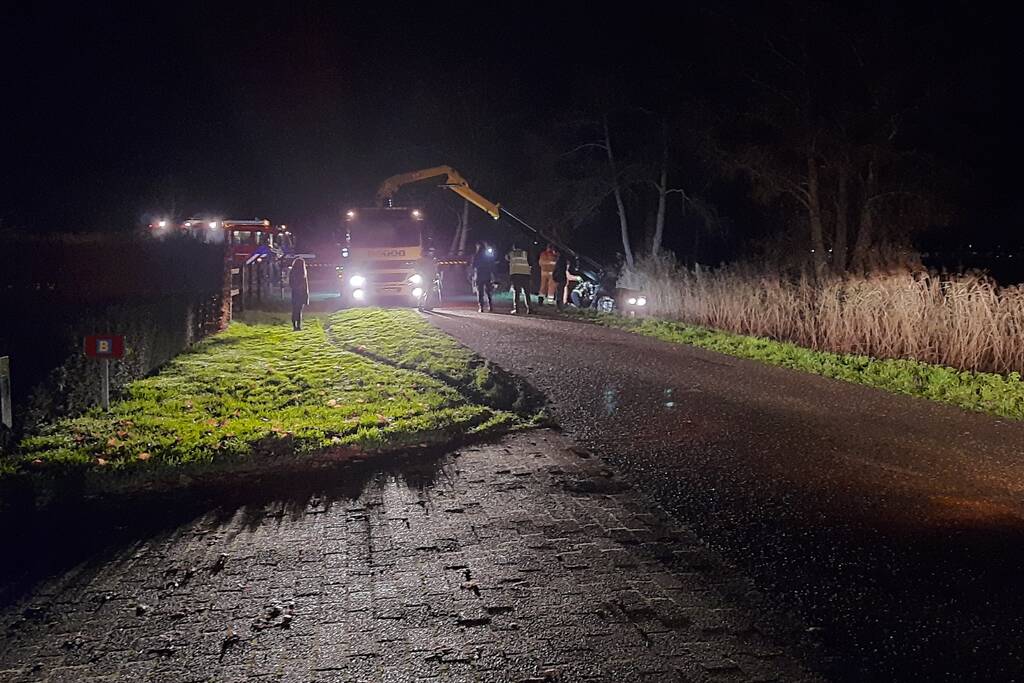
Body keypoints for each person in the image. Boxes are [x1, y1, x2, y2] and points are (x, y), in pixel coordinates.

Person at [506, 242, 532, 314]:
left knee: (517, 292)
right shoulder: (525, 253)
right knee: (527, 292)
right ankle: (529, 308)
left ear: (514, 247)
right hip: (526, 274)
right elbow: (530, 262)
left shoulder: (511, 253)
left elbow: (506, 258)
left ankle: (516, 309)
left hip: (516, 275)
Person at [471, 242, 494, 313]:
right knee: (488, 291)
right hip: (487, 275)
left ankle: (481, 307)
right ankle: (490, 306)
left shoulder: (476, 255)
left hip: (479, 275)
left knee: (480, 292)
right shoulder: (487, 256)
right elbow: (492, 264)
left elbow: (473, 265)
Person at [288, 257, 309, 330]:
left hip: (295, 293)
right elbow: (305, 286)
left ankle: (294, 326)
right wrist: (306, 296)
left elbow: (290, 283)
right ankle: (298, 326)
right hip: (301, 293)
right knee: (299, 311)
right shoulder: (303, 273)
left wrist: (294, 287)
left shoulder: (292, 272)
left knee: (294, 310)